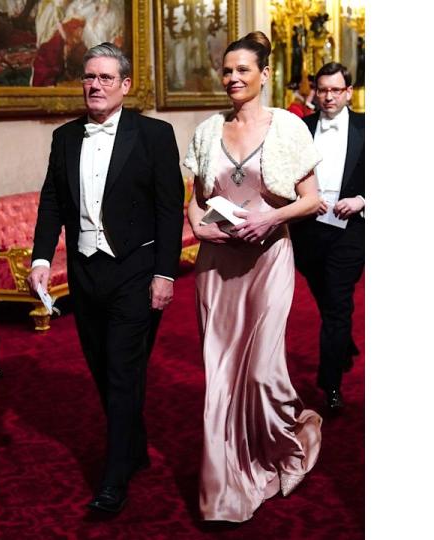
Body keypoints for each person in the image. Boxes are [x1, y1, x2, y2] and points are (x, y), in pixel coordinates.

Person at [27, 42, 186, 514]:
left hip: (135, 271)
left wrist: (165, 273)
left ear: (125, 85)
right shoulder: (64, 137)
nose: (94, 85)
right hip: (83, 270)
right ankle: (133, 448)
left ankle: (113, 479)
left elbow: (167, 208)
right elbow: (52, 201)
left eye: (104, 78)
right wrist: (40, 257)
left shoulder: (154, 134)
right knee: (102, 368)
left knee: (121, 372)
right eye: (88, 77)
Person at [183, 30, 324, 523]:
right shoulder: (205, 131)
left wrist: (271, 218)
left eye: (243, 69)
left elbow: (312, 197)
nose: (233, 78)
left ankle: (291, 434)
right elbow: (196, 198)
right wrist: (199, 226)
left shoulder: (288, 127)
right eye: (227, 70)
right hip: (218, 267)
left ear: (264, 75)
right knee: (220, 375)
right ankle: (224, 488)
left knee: (262, 372)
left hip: (269, 262)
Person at [290, 62, 365, 412]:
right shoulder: (300, 129)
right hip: (309, 230)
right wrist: (302, 200)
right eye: (323, 90)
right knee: (326, 299)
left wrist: (363, 199)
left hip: (350, 231)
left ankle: (330, 386)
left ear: (348, 92)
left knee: (337, 304)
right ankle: (344, 343)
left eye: (336, 90)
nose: (329, 96)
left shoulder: (370, 128)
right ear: (315, 92)